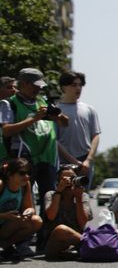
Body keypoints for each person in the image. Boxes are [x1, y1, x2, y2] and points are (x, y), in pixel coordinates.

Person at [0, 68, 69, 251]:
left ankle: (45, 241)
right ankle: (20, 241)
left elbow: (65, 123)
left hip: (47, 158)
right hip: (23, 158)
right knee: (24, 199)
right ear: (23, 84)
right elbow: (6, 130)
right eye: (34, 86)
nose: (38, 90)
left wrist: (58, 116)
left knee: (50, 198)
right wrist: (33, 119)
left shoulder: (42, 102)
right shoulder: (10, 104)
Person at [43, 164, 118, 259]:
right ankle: (99, 246)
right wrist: (58, 192)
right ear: (58, 181)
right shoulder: (51, 195)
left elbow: (82, 222)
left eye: (72, 178)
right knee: (61, 229)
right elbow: (51, 216)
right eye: (65, 179)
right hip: (56, 242)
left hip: (78, 240)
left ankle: (95, 247)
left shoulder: (83, 196)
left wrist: (78, 198)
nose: (69, 182)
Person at [54, 71, 101, 188]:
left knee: (83, 198)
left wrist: (88, 160)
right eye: (74, 85)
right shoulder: (56, 110)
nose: (78, 88)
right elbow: (54, 140)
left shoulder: (89, 109)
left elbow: (96, 135)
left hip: (85, 161)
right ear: (64, 87)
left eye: (80, 85)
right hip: (64, 162)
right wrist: (74, 161)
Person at [0, 158, 44, 260]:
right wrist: (4, 216)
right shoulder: (1, 185)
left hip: (7, 225)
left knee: (36, 221)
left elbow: (29, 207)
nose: (27, 177)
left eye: (28, 173)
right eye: (22, 173)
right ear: (10, 174)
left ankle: (6, 245)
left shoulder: (25, 186)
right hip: (4, 222)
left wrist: (28, 212)